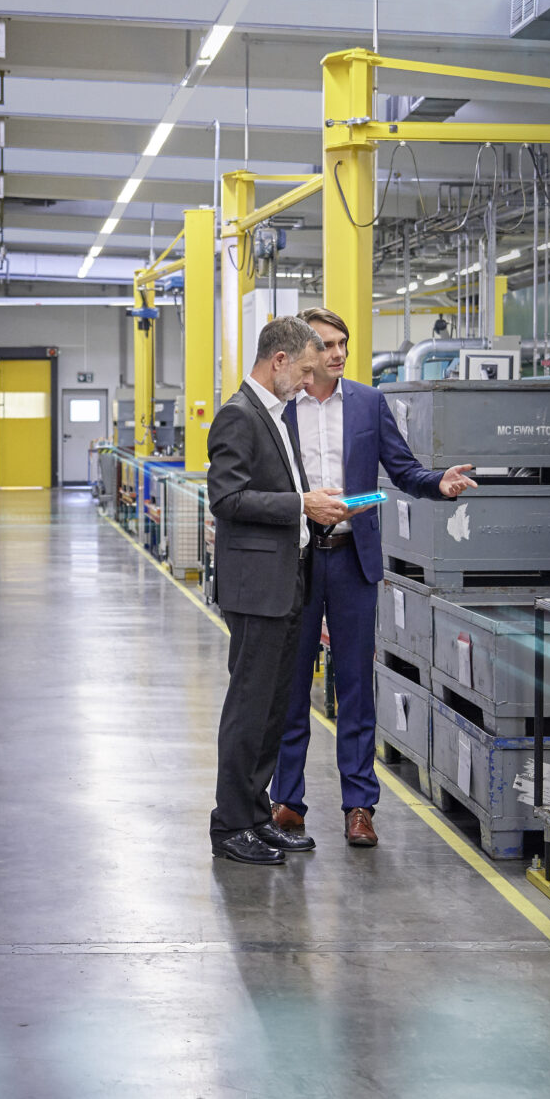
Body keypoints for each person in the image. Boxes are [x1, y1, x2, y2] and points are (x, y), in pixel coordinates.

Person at [269, 308, 473, 850]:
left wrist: (439, 484)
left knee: (356, 687)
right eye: (327, 344)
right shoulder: (281, 409)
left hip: (353, 561)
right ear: (304, 351)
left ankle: (359, 806)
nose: (337, 354)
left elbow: (403, 470)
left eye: (344, 344)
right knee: (291, 686)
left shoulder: (368, 403)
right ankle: (287, 800)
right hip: (298, 560)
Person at [206, 316, 352, 865]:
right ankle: (230, 826)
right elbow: (227, 499)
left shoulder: (276, 418)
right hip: (255, 590)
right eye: (306, 371)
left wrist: (314, 505)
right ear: (280, 361)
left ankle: (256, 815)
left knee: (272, 709)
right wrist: (300, 505)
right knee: (248, 708)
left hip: (287, 580)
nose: (309, 382)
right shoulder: (238, 416)